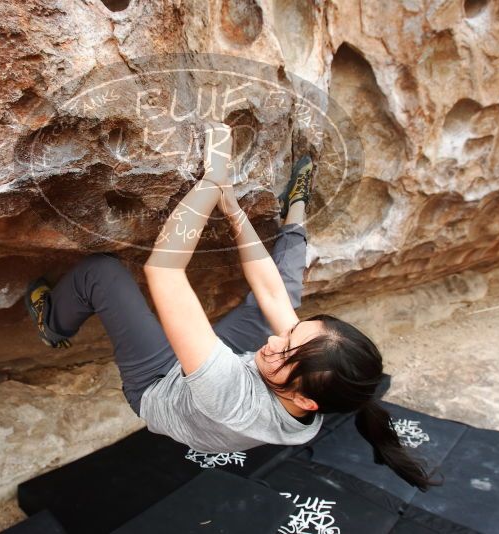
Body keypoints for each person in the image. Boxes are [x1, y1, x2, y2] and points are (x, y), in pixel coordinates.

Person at [25, 122, 440, 491]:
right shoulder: (307, 381)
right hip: (226, 379)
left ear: (307, 401)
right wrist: (232, 206)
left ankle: (53, 325)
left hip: (161, 384)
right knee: (285, 291)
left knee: (102, 273)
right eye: (292, 334)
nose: (276, 341)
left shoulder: (232, 396)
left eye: (286, 350)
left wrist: (211, 181)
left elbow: (165, 271)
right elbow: (273, 294)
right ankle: (295, 213)